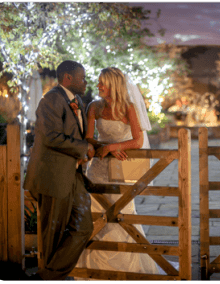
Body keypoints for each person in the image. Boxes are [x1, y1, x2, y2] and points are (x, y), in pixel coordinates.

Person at [75, 67, 160, 277]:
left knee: (121, 213)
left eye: (103, 82)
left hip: (121, 168)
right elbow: (88, 139)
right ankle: (94, 268)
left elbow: (138, 141)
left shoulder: (128, 108)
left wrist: (115, 147)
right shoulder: (94, 107)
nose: (99, 86)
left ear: (114, 85)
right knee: (96, 215)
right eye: (99, 82)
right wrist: (102, 145)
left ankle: (125, 268)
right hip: (97, 170)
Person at [23, 60, 95, 280]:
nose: (85, 83)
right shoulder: (51, 99)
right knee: (52, 233)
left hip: (73, 173)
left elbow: (78, 134)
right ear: (68, 79)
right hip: (53, 175)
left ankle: (46, 277)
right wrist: (84, 148)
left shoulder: (77, 100)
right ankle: (51, 278)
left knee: (83, 227)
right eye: (82, 78)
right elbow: (51, 136)